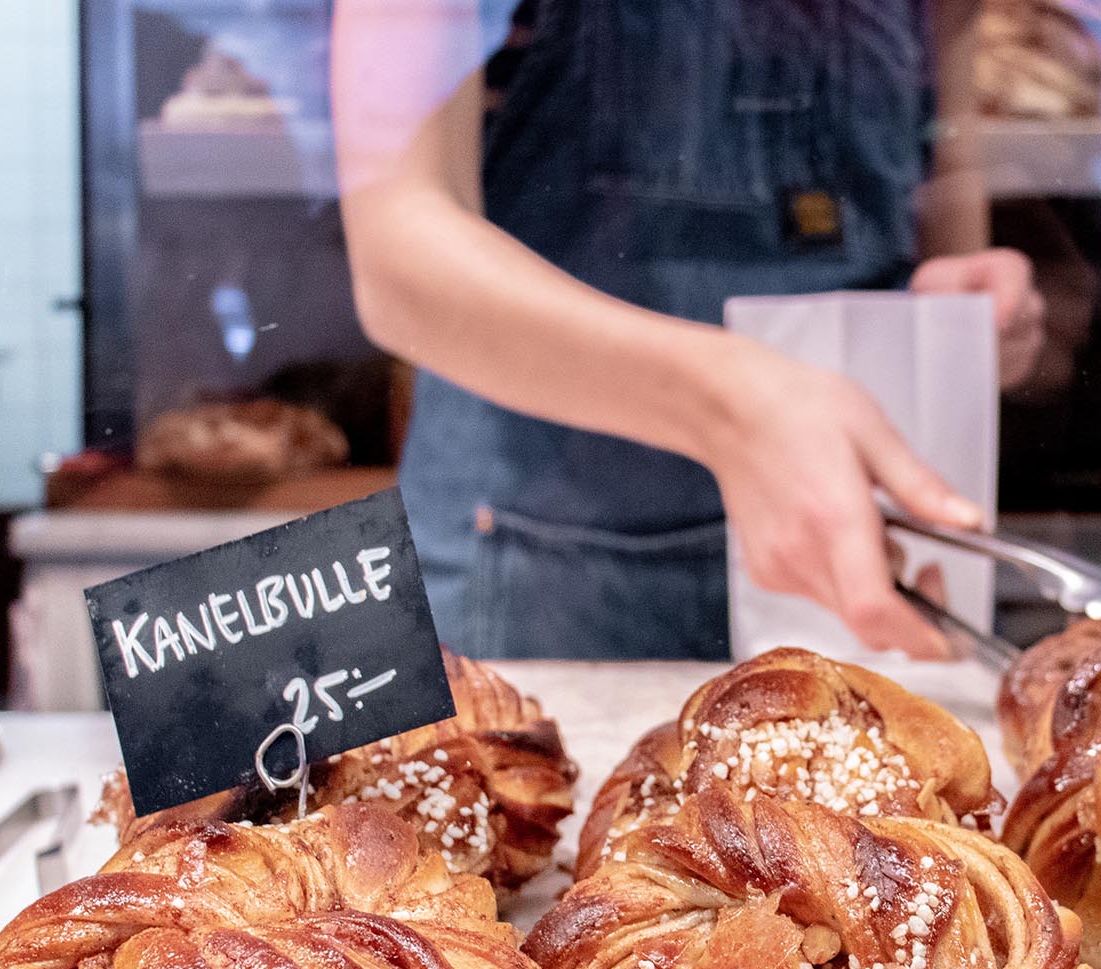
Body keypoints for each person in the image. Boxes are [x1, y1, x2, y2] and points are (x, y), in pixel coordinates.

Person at [330, 0, 1046, 661]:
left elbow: (946, 165)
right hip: (543, 564)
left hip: (861, 549)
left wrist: (965, 323)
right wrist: (728, 408)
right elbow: (397, 259)